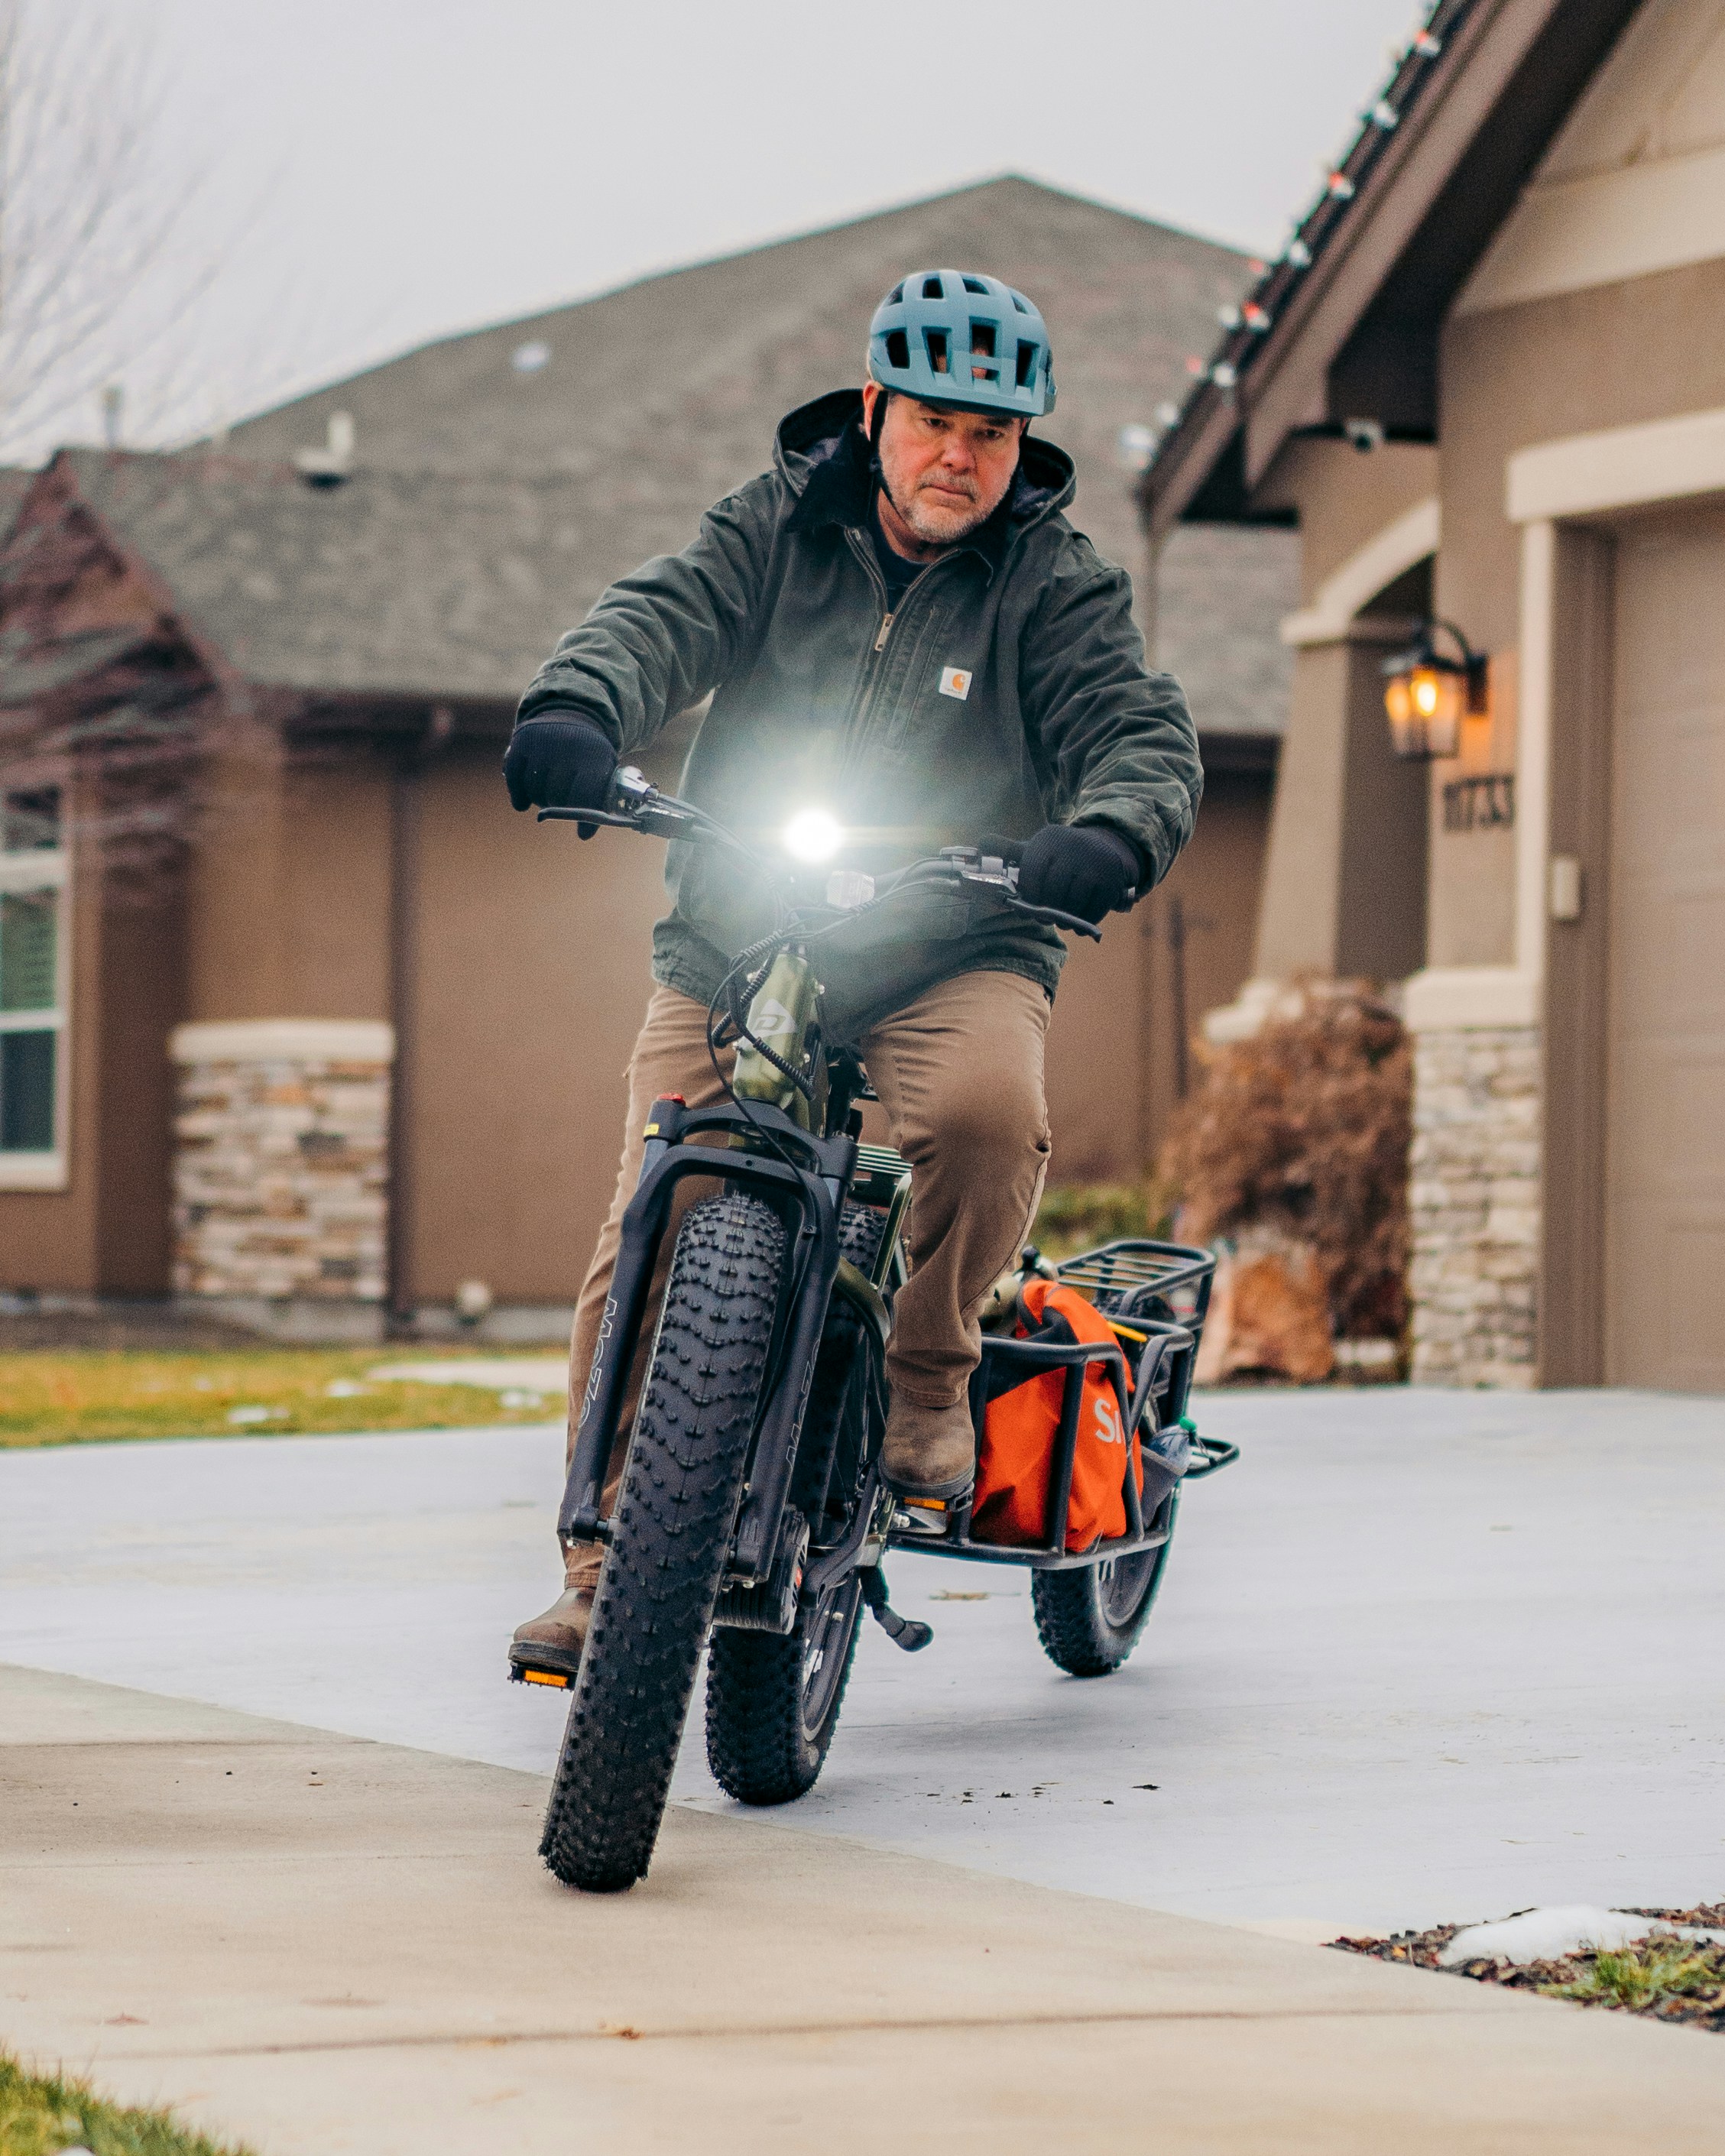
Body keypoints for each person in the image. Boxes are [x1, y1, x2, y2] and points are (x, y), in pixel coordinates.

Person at [504, 268, 1201, 1675]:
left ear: (1023, 449)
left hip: (955, 935)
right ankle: (603, 1563)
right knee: (661, 1199)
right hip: (744, 929)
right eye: (936, 421)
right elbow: (658, 616)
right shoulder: (771, 526)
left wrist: (1111, 826)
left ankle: (924, 1385)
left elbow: (1135, 725)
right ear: (874, 410)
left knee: (983, 1117)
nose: (961, 456)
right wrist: (579, 707)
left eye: (993, 436)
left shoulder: (1054, 584)